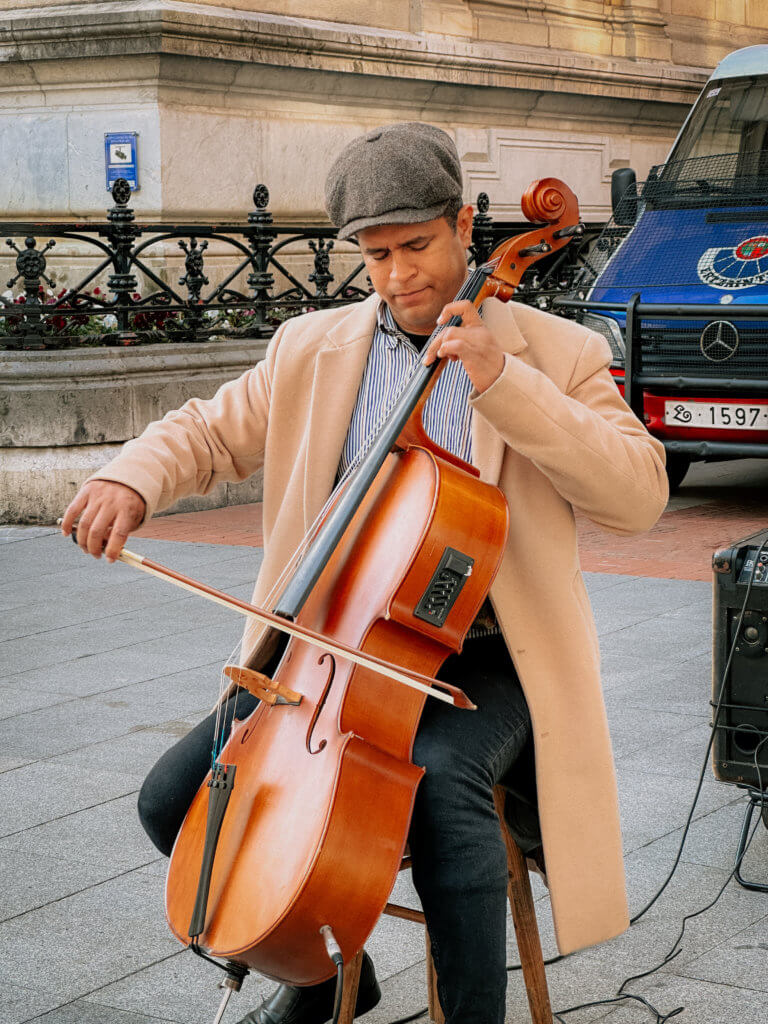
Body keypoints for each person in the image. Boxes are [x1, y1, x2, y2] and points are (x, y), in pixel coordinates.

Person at [61, 122, 668, 1024]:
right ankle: (320, 979)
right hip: (334, 643)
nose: (397, 276)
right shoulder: (313, 347)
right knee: (172, 802)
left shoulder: (558, 352)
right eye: (375, 255)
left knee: (440, 788)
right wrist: (130, 474)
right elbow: (209, 429)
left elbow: (640, 496)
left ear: (465, 224)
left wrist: (506, 382)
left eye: (416, 246)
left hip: (486, 655)